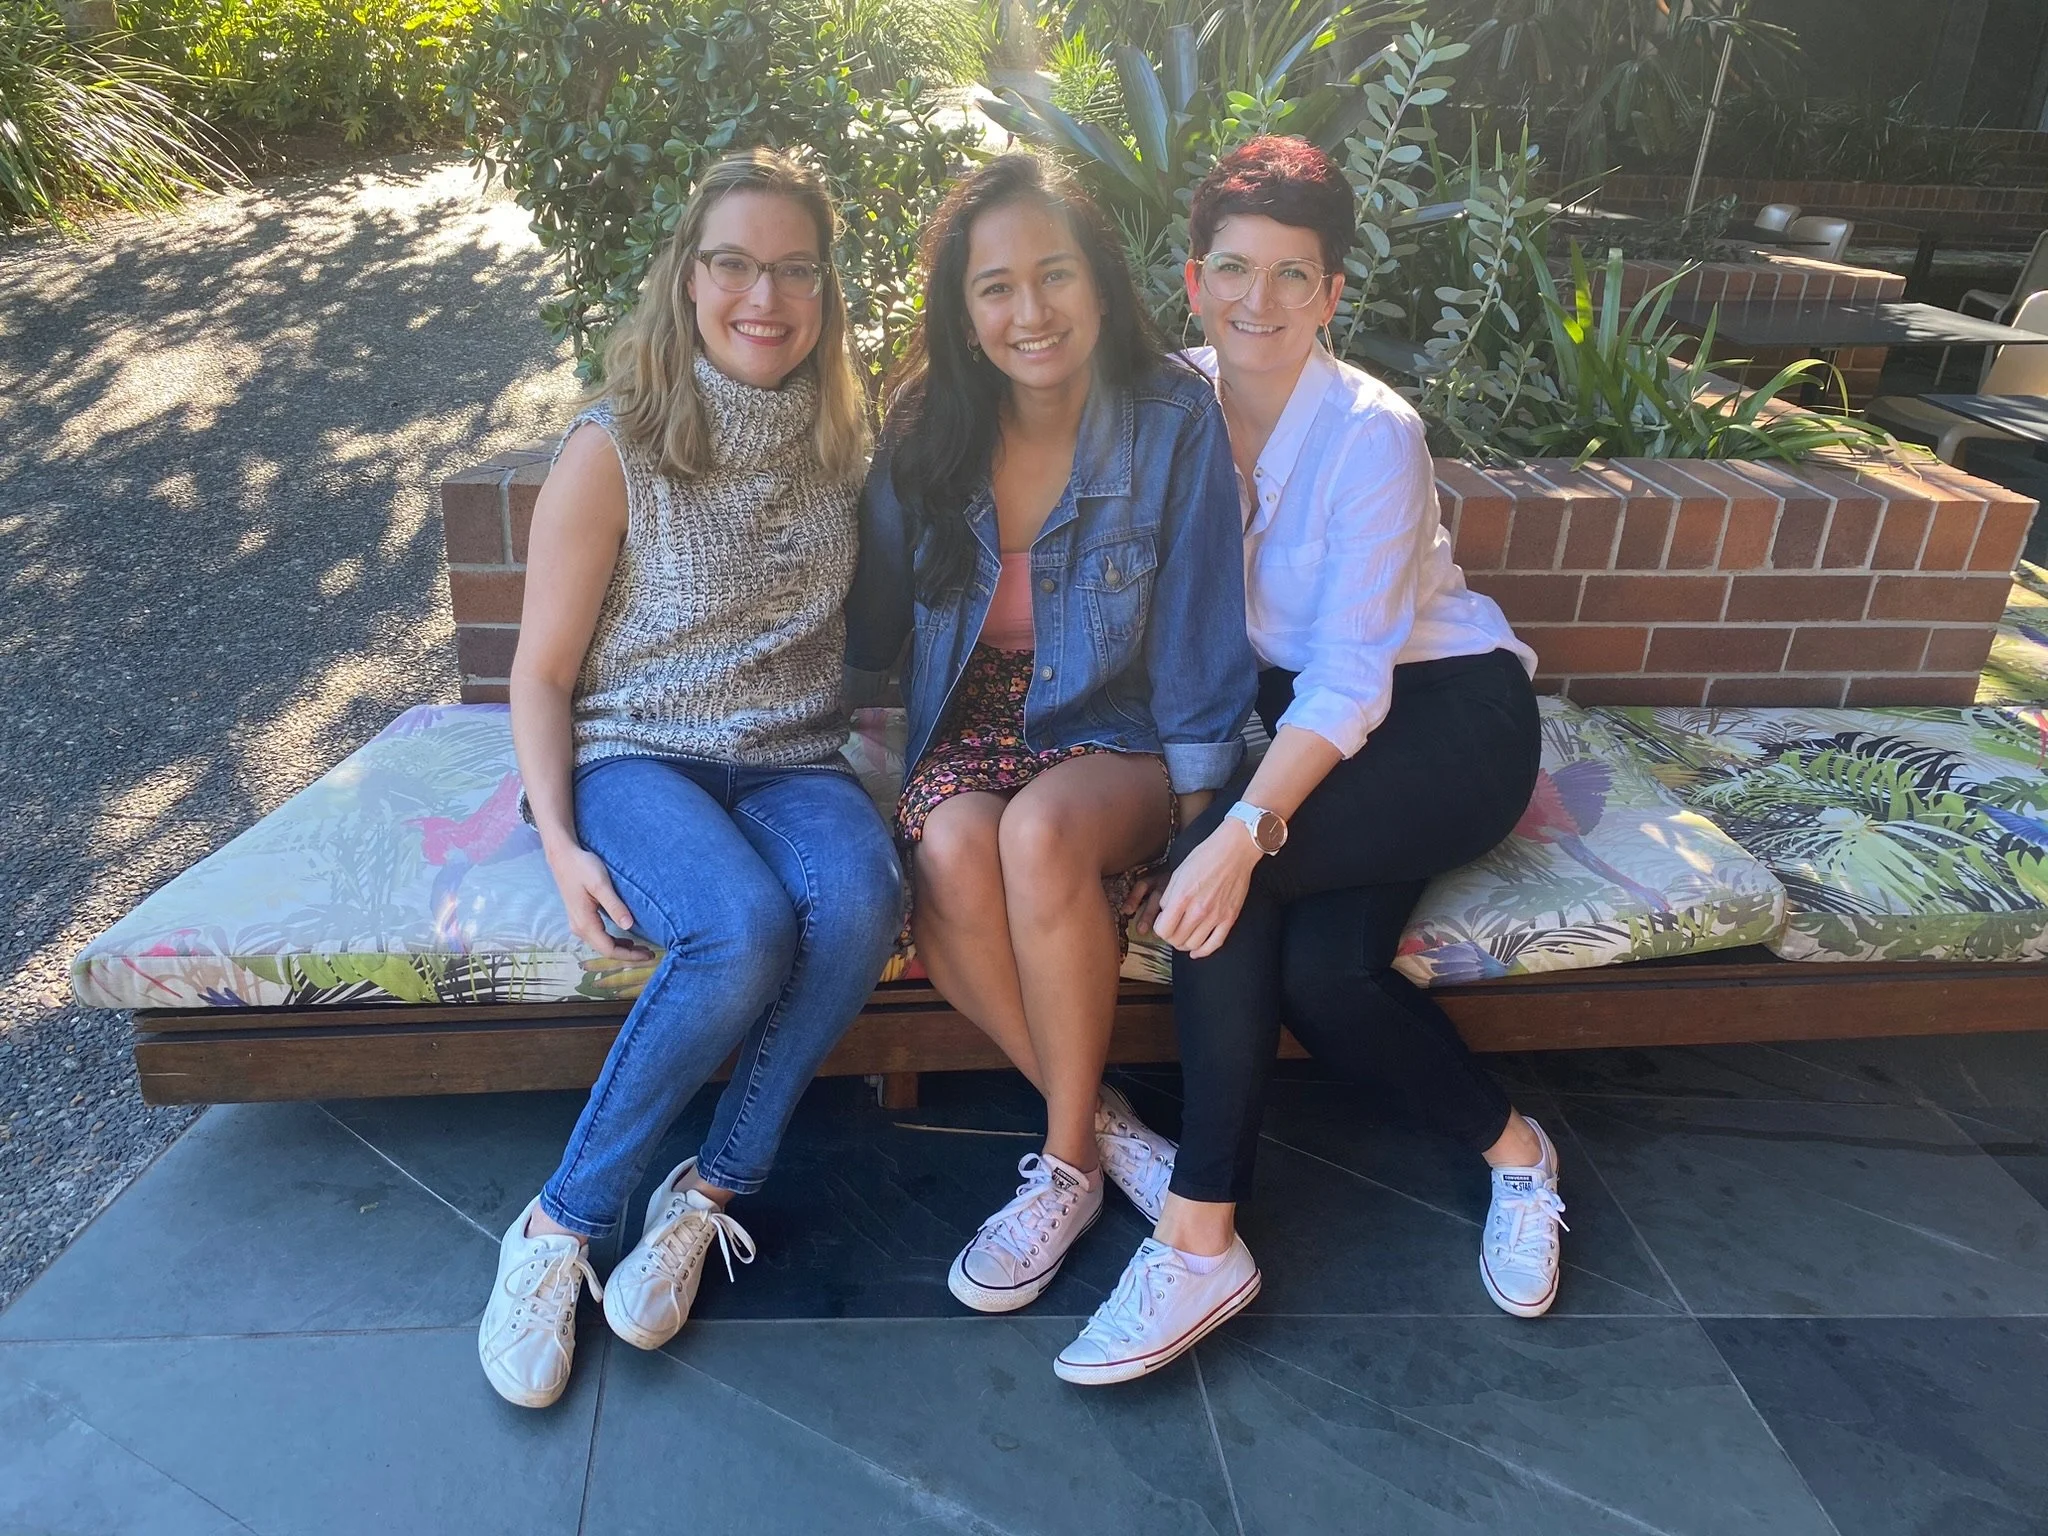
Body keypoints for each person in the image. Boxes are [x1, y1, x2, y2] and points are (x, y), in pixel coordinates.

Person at [1055, 136, 1561, 1387]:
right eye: (1233, 268)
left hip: (1443, 720)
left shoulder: (1370, 434)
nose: (1258, 301)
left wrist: (1238, 831)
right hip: (1311, 722)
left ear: (1331, 293)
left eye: (1293, 274)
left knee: (1223, 881)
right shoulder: (1164, 402)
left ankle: (1198, 1237)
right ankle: (1518, 1154)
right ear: (1193, 279)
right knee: (1327, 980)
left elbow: (1350, 677)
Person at [479, 149, 903, 1409]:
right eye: (733, 264)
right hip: (636, 755)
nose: (763, 296)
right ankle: (559, 1222)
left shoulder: (842, 448)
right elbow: (541, 673)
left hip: (792, 760)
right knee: (738, 927)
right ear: (686, 277)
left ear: (824, 293)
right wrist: (562, 842)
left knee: (862, 898)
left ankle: (707, 1192)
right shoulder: (613, 449)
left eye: (794, 269)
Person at [845, 154, 1257, 1319]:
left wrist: (1197, 822)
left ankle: (1064, 1163)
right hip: (970, 719)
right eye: (994, 287)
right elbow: (870, 619)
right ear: (962, 311)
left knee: (1034, 835)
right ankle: (1107, 1131)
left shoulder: (1173, 416)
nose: (1028, 311)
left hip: (1118, 727)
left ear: (1100, 282)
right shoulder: (926, 426)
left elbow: (1197, 637)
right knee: (948, 849)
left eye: (1053, 274)